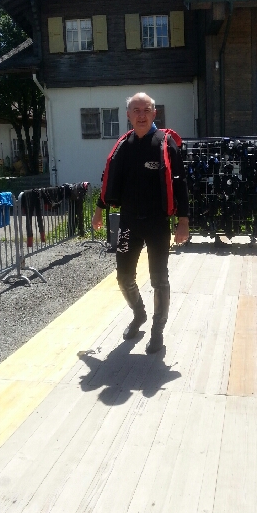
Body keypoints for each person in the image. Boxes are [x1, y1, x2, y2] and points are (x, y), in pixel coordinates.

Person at [92, 92, 190, 354]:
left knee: (159, 279)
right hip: (128, 225)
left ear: (154, 113)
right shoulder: (124, 146)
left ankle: (158, 330)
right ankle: (139, 314)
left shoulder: (165, 144)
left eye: (146, 110)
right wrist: (99, 211)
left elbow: (180, 184)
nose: (141, 115)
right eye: (136, 110)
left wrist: (183, 221)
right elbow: (109, 181)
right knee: (123, 277)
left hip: (157, 225)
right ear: (128, 115)